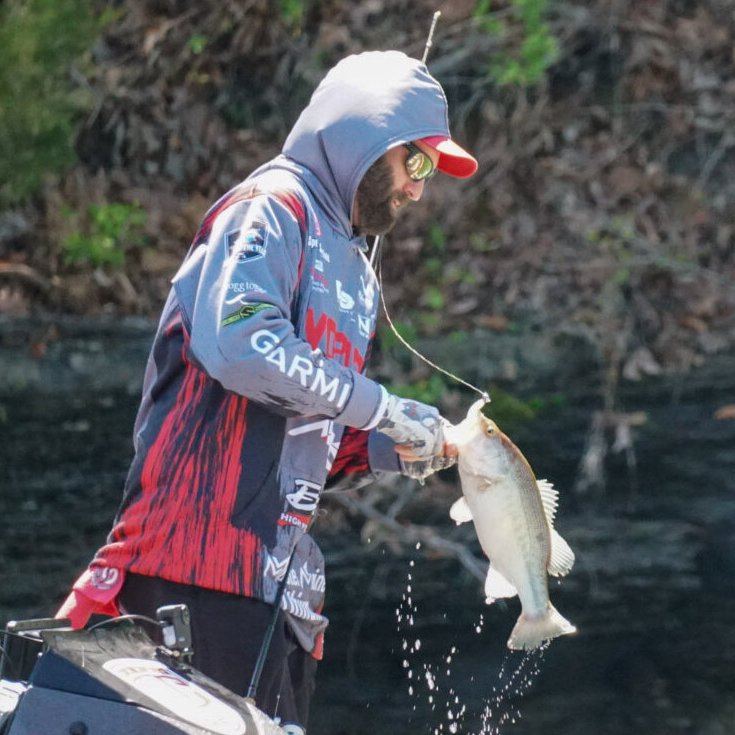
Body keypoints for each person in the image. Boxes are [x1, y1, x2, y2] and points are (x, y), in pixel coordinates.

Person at [56, 49, 478, 734]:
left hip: (280, 594)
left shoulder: (353, 266)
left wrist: (397, 446)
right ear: (363, 137)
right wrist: (379, 403)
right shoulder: (272, 208)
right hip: (193, 568)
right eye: (418, 163)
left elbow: (310, 430)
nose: (419, 190)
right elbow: (242, 345)